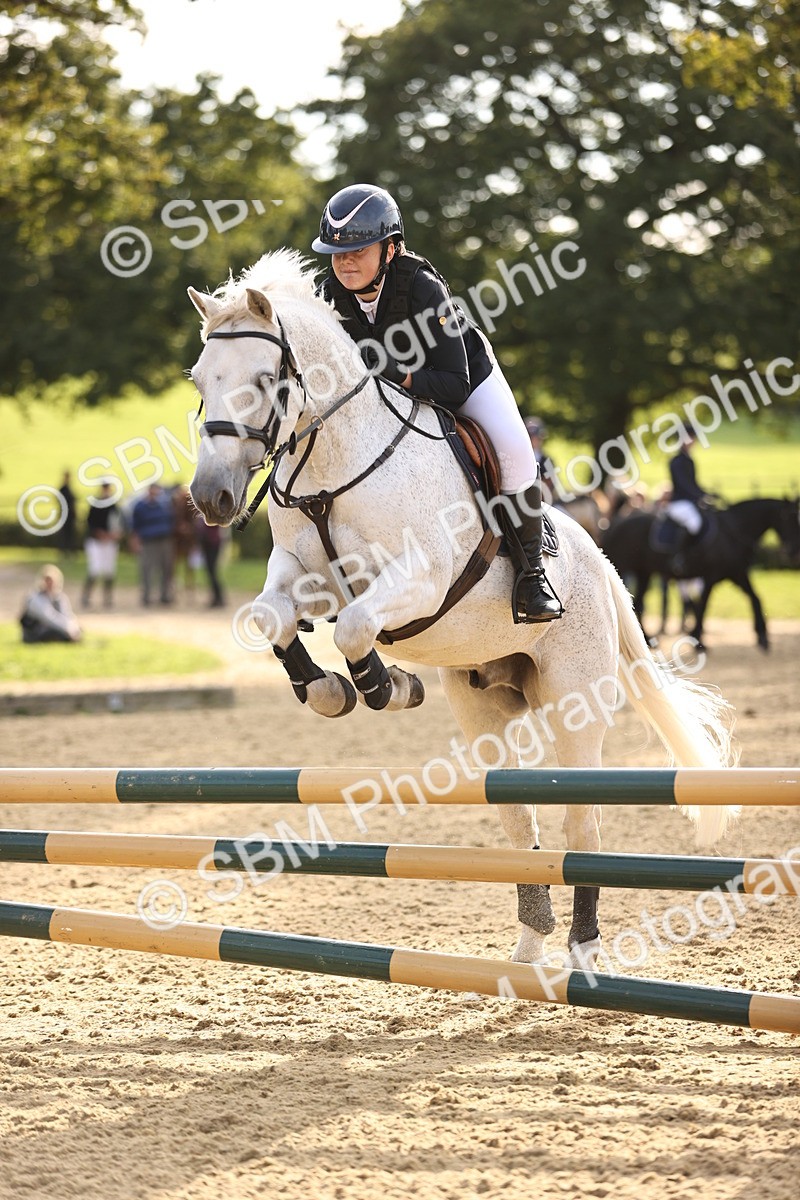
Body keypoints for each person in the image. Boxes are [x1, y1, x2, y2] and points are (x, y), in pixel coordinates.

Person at [312, 184, 561, 623]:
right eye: (336, 252)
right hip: (388, 395)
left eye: (357, 251)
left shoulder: (423, 287)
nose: (344, 262)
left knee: (515, 452)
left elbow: (455, 384)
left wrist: (397, 374)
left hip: (464, 376)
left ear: (390, 250)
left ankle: (532, 575)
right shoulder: (329, 295)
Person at [666, 433, 717, 571]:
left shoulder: (689, 461)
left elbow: (694, 484)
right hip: (679, 503)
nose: (691, 442)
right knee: (694, 523)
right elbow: (684, 485)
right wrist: (700, 495)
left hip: (690, 502)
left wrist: (708, 494)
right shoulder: (676, 461)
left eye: (693, 438)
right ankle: (679, 556)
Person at [130, 483, 175, 606]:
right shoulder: (140, 506)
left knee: (166, 568)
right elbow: (135, 526)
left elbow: (172, 520)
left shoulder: (164, 505)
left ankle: (165, 595)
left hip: (164, 540)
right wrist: (135, 541)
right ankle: (146, 596)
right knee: (147, 569)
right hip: (148, 541)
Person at [82, 481, 123, 608]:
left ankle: (107, 598)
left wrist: (114, 535)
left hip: (109, 542)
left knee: (109, 570)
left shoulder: (114, 506)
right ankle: (86, 596)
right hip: (96, 542)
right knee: (94, 568)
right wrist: (100, 534)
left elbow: (119, 525)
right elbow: (90, 524)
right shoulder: (95, 504)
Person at [20, 564, 82, 643]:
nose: (50, 584)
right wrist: (68, 628)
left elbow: (68, 615)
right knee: (60, 633)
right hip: (36, 632)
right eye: (47, 581)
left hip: (53, 627)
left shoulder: (59, 598)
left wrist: (73, 627)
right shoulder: (35, 598)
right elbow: (49, 617)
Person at [57, 470, 77, 554]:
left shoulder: (69, 488)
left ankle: (69, 550)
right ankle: (64, 551)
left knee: (70, 534)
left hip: (70, 515)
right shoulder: (63, 489)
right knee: (65, 534)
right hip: (65, 515)